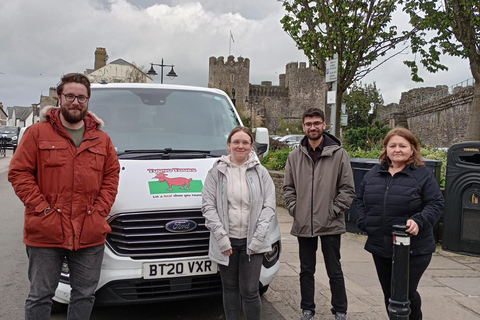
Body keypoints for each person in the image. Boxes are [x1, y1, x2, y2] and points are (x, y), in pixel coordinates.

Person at [8, 73, 120, 320]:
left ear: (88, 100)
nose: (75, 102)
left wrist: (99, 211)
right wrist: (42, 209)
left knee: (85, 295)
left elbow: (111, 177)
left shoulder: (102, 139)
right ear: (59, 98)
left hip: (89, 231)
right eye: (70, 96)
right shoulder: (37, 133)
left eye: (81, 97)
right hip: (46, 230)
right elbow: (19, 173)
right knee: (40, 295)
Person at [355, 127, 444, 320]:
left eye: (403, 145)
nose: (397, 149)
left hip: (414, 248)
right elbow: (359, 200)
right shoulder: (373, 174)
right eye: (392, 145)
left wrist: (419, 221)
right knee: (389, 294)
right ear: (386, 148)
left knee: (406, 293)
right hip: (381, 246)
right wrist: (364, 223)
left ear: (412, 149)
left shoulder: (422, 174)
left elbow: (436, 203)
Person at [283, 108, 355, 320]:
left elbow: (348, 188)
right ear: (303, 127)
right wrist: (295, 209)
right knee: (306, 270)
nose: (312, 127)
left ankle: (340, 310)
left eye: (316, 123)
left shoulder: (339, 154)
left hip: (330, 222)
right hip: (304, 223)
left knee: (334, 269)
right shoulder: (294, 156)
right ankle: (307, 309)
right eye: (308, 124)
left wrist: (334, 210)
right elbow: (288, 188)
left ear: (324, 125)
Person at [202, 126, 276, 320]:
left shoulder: (262, 174)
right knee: (230, 288)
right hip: (226, 242)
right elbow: (208, 207)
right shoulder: (215, 173)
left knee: (251, 291)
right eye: (236, 142)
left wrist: (258, 238)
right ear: (228, 145)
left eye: (245, 142)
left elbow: (269, 207)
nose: (240, 146)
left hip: (253, 243)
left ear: (251, 146)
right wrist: (221, 238)